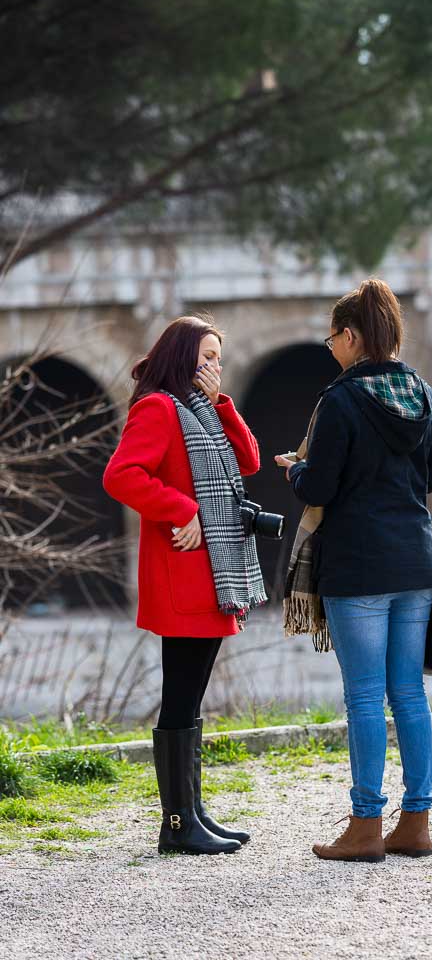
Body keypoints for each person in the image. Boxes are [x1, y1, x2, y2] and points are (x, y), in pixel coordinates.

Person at [275, 278, 432, 863]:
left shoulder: (341, 400)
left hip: (358, 565)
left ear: (350, 336)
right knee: (409, 694)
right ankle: (415, 821)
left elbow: (319, 485)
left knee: (366, 698)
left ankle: (366, 825)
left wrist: (295, 470)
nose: (332, 350)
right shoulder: (422, 393)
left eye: (331, 340)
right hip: (415, 560)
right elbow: (427, 480)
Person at [104, 315, 266, 855]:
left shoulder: (204, 411)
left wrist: (224, 403)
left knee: (192, 696)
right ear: (182, 360)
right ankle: (177, 826)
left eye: (219, 358)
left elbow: (250, 460)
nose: (216, 367)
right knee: (180, 694)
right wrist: (182, 509)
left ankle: (190, 813)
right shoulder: (158, 408)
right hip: (184, 571)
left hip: (211, 574)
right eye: (207, 359)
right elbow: (122, 475)